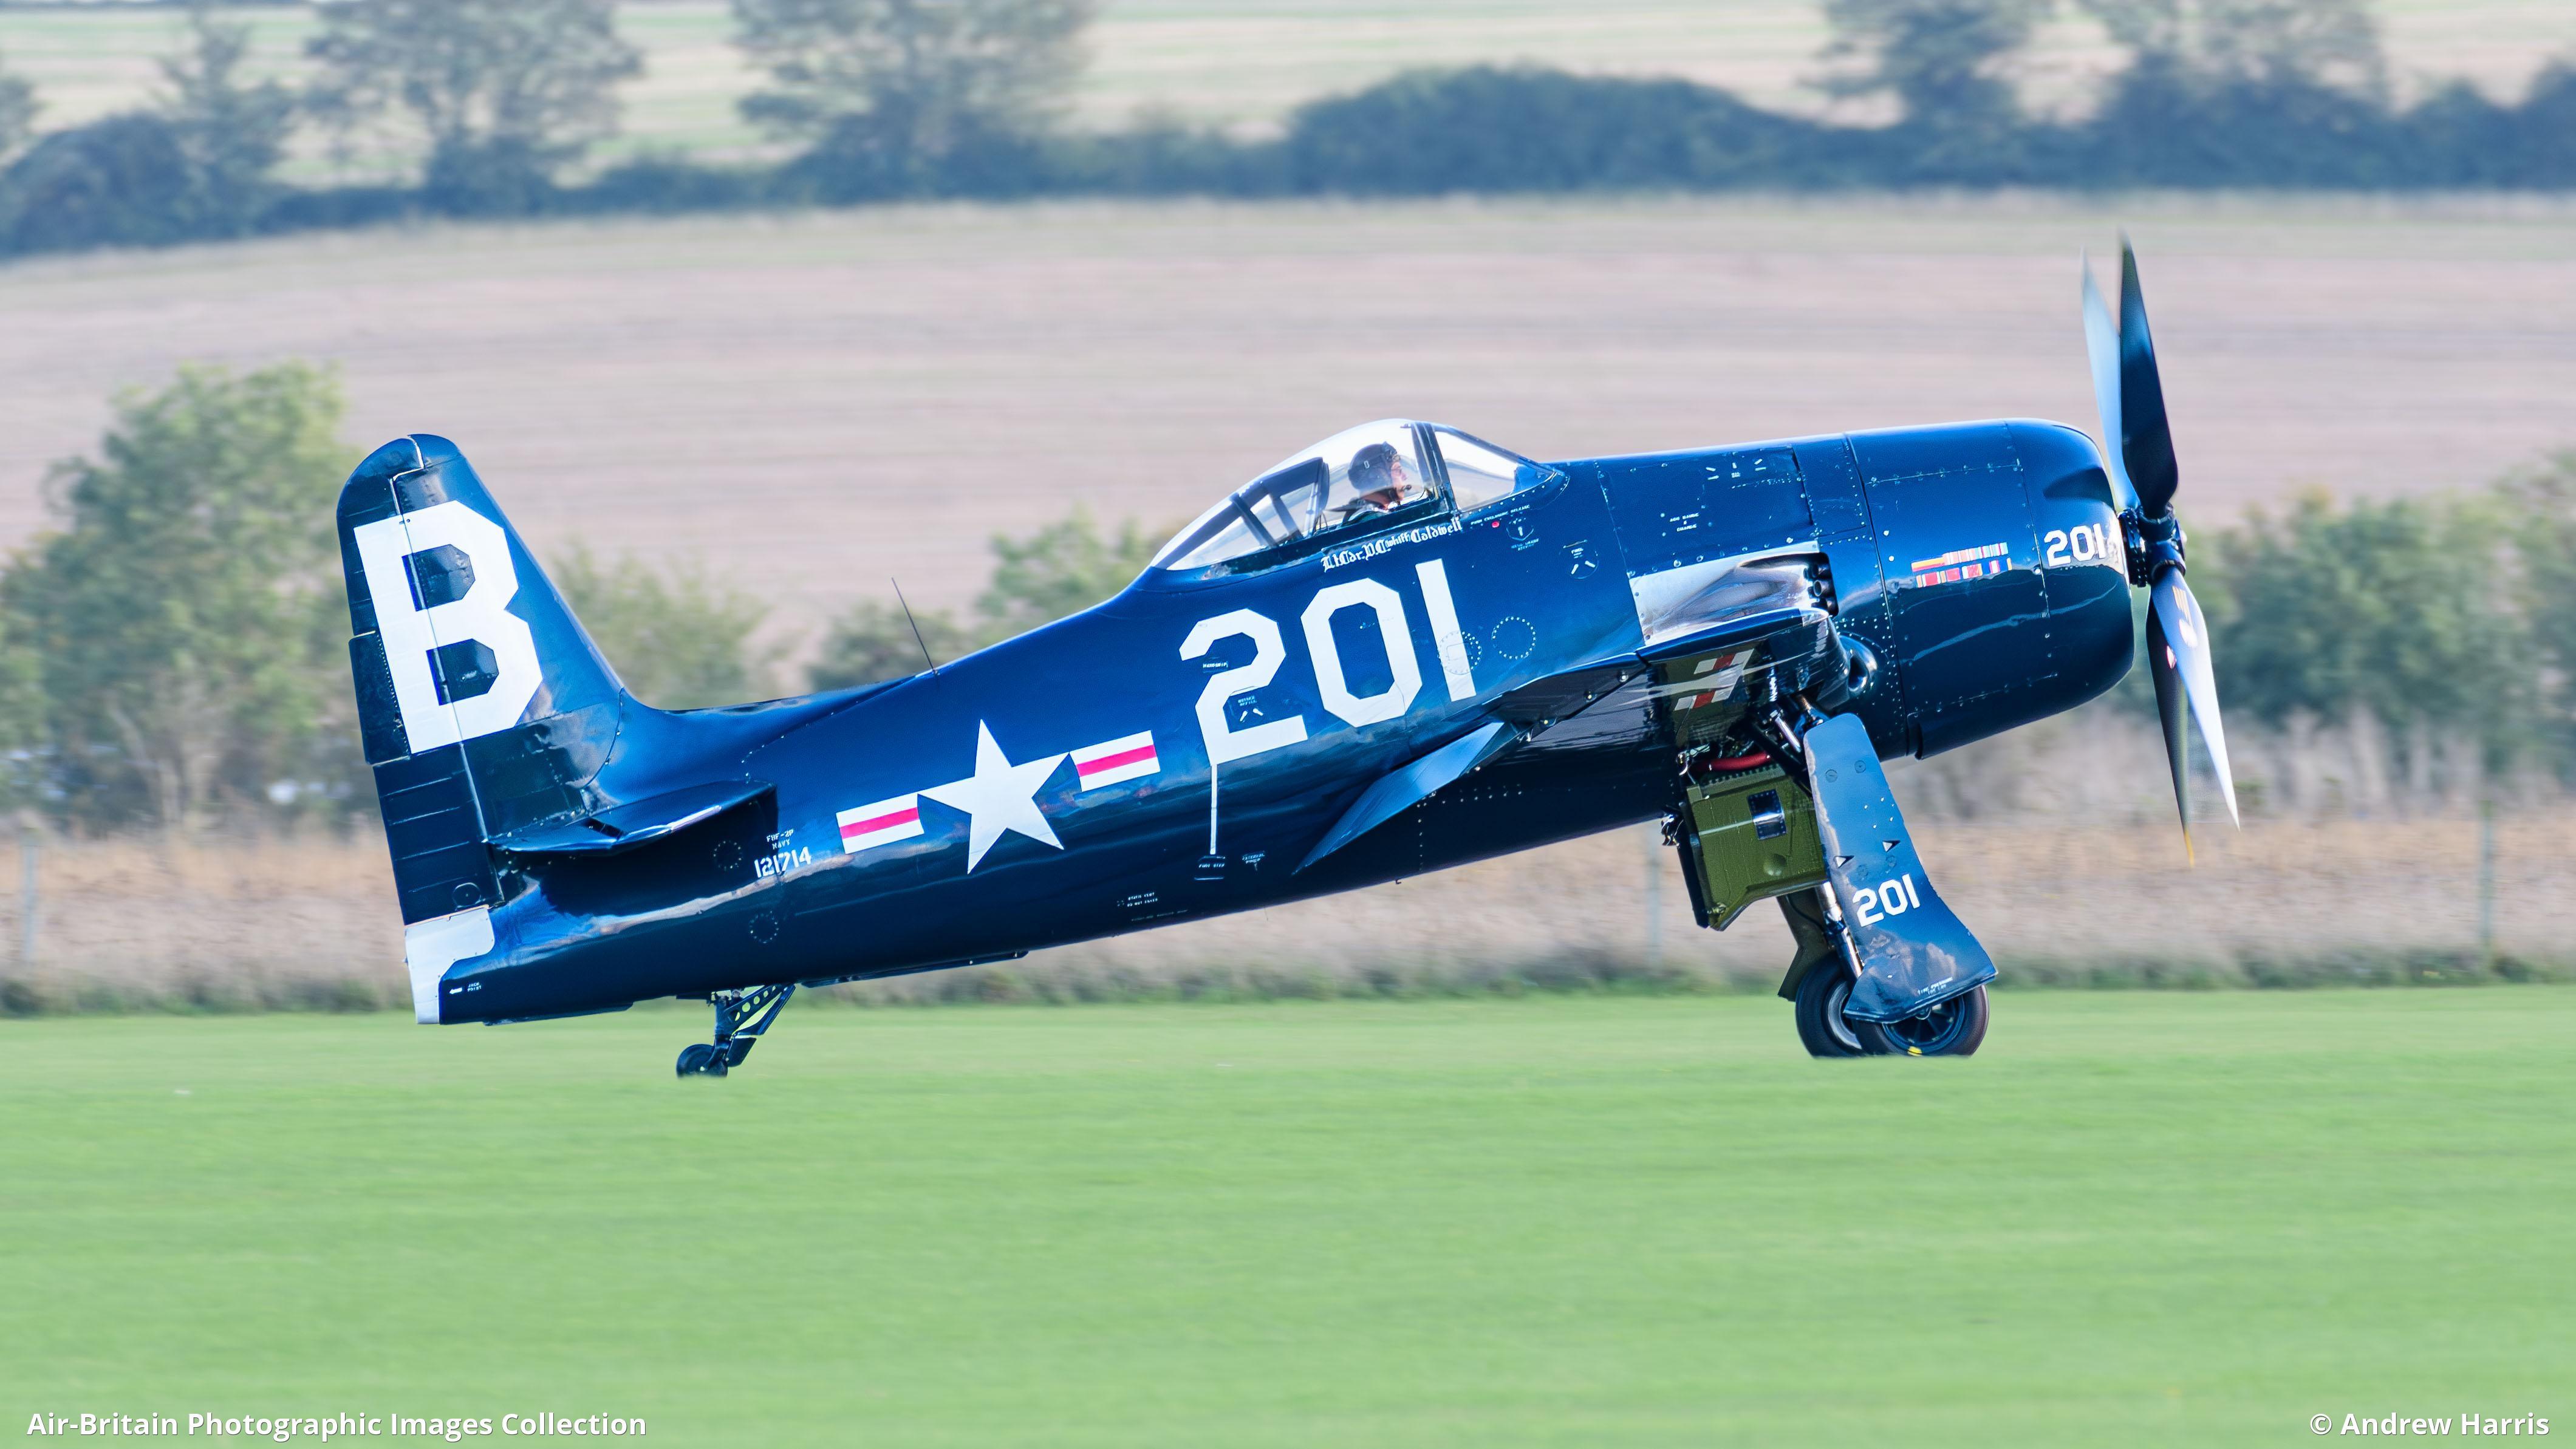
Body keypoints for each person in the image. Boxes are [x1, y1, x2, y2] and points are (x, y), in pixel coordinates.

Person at [1336, 441, 1422, 523]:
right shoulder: (1374, 522)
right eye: (1397, 470)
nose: (1405, 476)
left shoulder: (1364, 514)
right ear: (1377, 477)